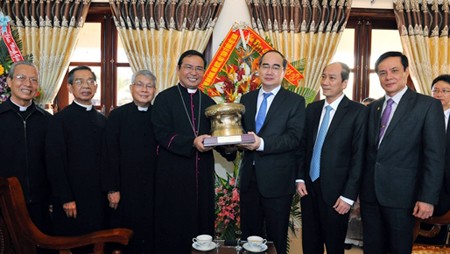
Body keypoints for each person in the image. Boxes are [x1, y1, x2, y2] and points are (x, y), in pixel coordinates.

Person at [359, 51, 446, 254]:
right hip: (371, 195)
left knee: (398, 249)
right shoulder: (373, 108)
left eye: (394, 70)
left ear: (406, 72)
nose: (388, 77)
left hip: (404, 197)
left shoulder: (427, 106)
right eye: (382, 72)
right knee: (372, 248)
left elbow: (434, 156)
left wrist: (427, 198)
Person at [151, 50, 233, 253]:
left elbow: (217, 137)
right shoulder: (164, 98)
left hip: (202, 177)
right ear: (178, 69)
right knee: (173, 227)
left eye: (198, 68)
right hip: (173, 176)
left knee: (202, 227)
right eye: (188, 67)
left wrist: (231, 147)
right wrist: (192, 142)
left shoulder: (210, 104)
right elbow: (161, 134)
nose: (193, 72)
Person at [238, 50, 305, 254]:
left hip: (277, 182)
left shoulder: (294, 101)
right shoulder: (246, 99)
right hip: (249, 180)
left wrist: (261, 144)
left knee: (276, 239)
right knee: (249, 237)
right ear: (258, 69)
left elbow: (293, 138)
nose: (270, 71)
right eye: (265, 66)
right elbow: (240, 131)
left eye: (276, 67)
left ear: (284, 72)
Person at [297, 62, 367, 254]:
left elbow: (359, 157)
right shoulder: (312, 108)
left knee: (335, 246)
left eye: (332, 78)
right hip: (309, 189)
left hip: (338, 194)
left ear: (344, 83)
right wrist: (300, 178)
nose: (325, 82)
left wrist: (348, 196)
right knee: (310, 244)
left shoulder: (358, 112)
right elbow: (303, 147)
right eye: (323, 76)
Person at [46, 66, 107, 238]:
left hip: (98, 199)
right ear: (70, 88)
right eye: (79, 82)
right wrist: (65, 198)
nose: (86, 86)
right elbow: (55, 162)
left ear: (95, 87)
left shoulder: (103, 120)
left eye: (90, 81)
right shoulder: (59, 120)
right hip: (72, 200)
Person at [102, 70, 158, 253]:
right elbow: (110, 153)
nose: (144, 89)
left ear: (155, 90)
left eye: (149, 86)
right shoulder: (118, 116)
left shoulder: (160, 116)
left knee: (151, 235)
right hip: (124, 190)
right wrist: (112, 188)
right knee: (125, 238)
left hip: (154, 189)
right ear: (131, 87)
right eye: (140, 84)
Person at [0, 61, 52, 234]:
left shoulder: (47, 120)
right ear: (9, 81)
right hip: (5, 204)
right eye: (21, 78)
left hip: (41, 204)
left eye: (33, 80)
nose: (27, 84)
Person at [415, 74, 450, 245]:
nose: (439, 94)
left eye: (445, 91)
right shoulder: (421, 115)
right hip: (423, 180)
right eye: (435, 90)